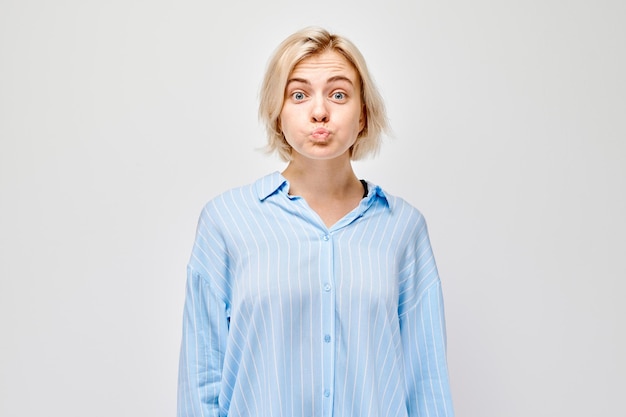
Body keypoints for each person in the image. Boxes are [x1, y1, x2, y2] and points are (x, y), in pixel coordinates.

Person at [178, 27, 454, 417]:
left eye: (338, 94)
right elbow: (201, 378)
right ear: (277, 114)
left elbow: (426, 381)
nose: (320, 111)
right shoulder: (226, 221)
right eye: (299, 94)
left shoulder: (403, 228)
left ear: (363, 115)